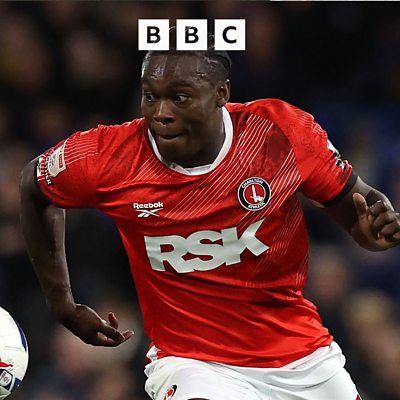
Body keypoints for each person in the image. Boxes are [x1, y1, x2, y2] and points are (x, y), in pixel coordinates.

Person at [20, 30, 400, 400]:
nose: (161, 114)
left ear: (221, 93)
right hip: (192, 364)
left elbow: (360, 213)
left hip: (301, 355)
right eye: (150, 96)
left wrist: (374, 228)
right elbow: (33, 186)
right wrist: (62, 304)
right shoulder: (108, 157)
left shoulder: (279, 132)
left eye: (179, 97)